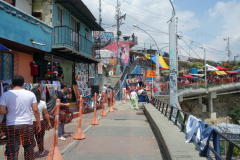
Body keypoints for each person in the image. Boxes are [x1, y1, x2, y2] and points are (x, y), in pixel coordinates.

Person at [0, 75, 41, 160]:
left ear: (11, 84)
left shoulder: (5, 95)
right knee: (29, 148)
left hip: (12, 125)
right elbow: (35, 110)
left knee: (12, 151)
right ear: (23, 84)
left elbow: (2, 111)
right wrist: (38, 122)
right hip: (27, 125)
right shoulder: (31, 94)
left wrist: (8, 111)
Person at [31, 88, 52, 156]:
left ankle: (30, 151)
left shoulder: (28, 103)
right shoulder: (43, 103)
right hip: (40, 122)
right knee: (40, 138)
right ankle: (41, 150)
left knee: (29, 138)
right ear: (39, 95)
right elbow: (46, 114)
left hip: (29, 123)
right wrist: (49, 122)